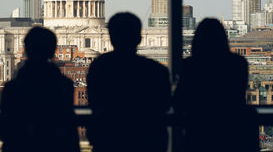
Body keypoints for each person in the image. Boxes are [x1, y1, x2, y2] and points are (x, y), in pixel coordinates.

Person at [87, 12, 171, 152]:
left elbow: (95, 102)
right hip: (147, 141)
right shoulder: (156, 70)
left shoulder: (99, 67)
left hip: (108, 140)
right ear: (139, 38)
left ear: (111, 38)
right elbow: (164, 105)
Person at [173, 18, 259, 152]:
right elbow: (238, 97)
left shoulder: (190, 65)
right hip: (232, 132)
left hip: (198, 134)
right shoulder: (238, 63)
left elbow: (180, 100)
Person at [0, 26, 79, 152]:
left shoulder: (12, 88)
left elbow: (4, 131)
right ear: (53, 50)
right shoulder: (64, 85)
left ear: (26, 49)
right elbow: (68, 129)